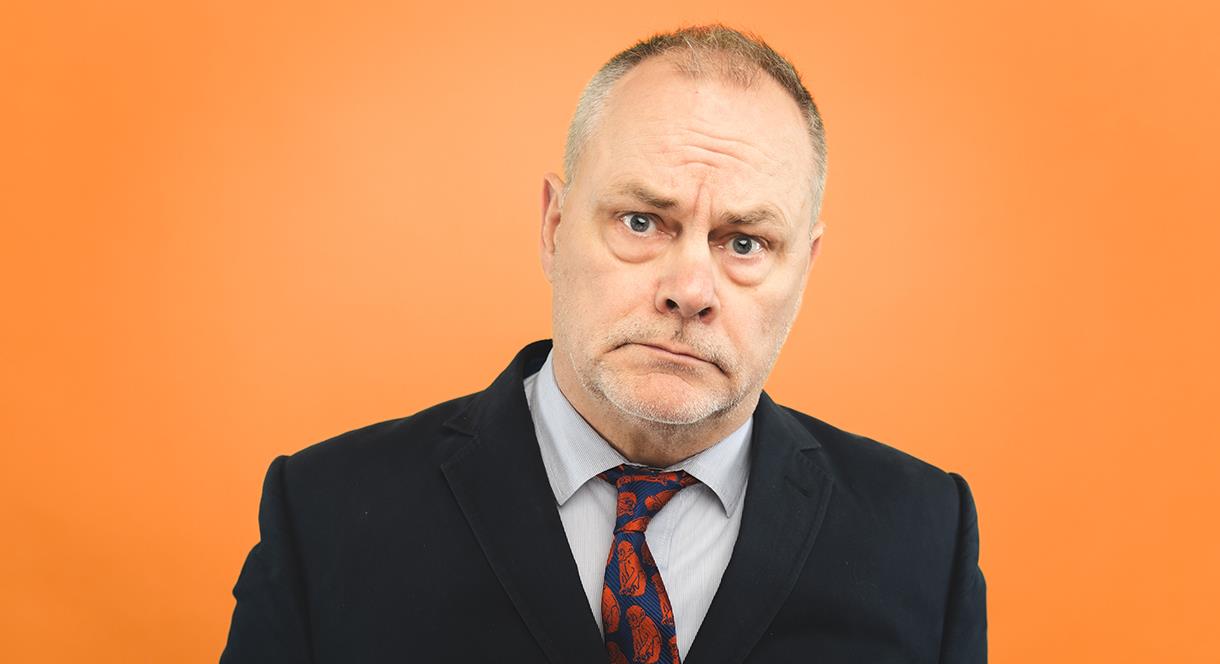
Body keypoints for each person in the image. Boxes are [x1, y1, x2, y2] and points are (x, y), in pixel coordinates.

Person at [220, 24, 987, 664]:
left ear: (806, 269)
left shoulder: (924, 536)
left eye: (745, 243)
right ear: (554, 227)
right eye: (641, 222)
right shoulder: (325, 514)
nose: (690, 289)